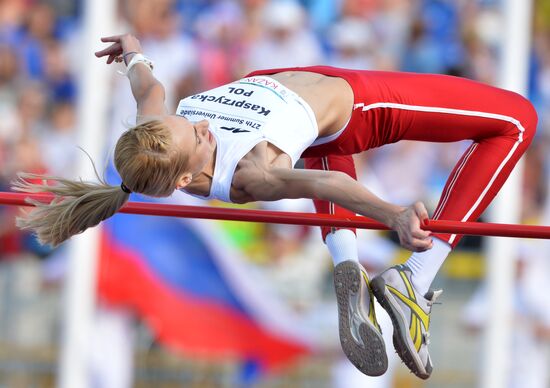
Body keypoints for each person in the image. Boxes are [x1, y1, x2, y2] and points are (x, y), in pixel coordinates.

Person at [13, 34, 538, 380]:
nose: (200, 124)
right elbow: (327, 187)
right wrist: (392, 215)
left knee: (316, 141)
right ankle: (414, 281)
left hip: (283, 85)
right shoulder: (251, 174)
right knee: (516, 119)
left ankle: (347, 265)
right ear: (187, 177)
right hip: (354, 104)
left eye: (185, 120)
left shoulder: (155, 138)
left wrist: (132, 54)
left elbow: (150, 87)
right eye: (196, 136)